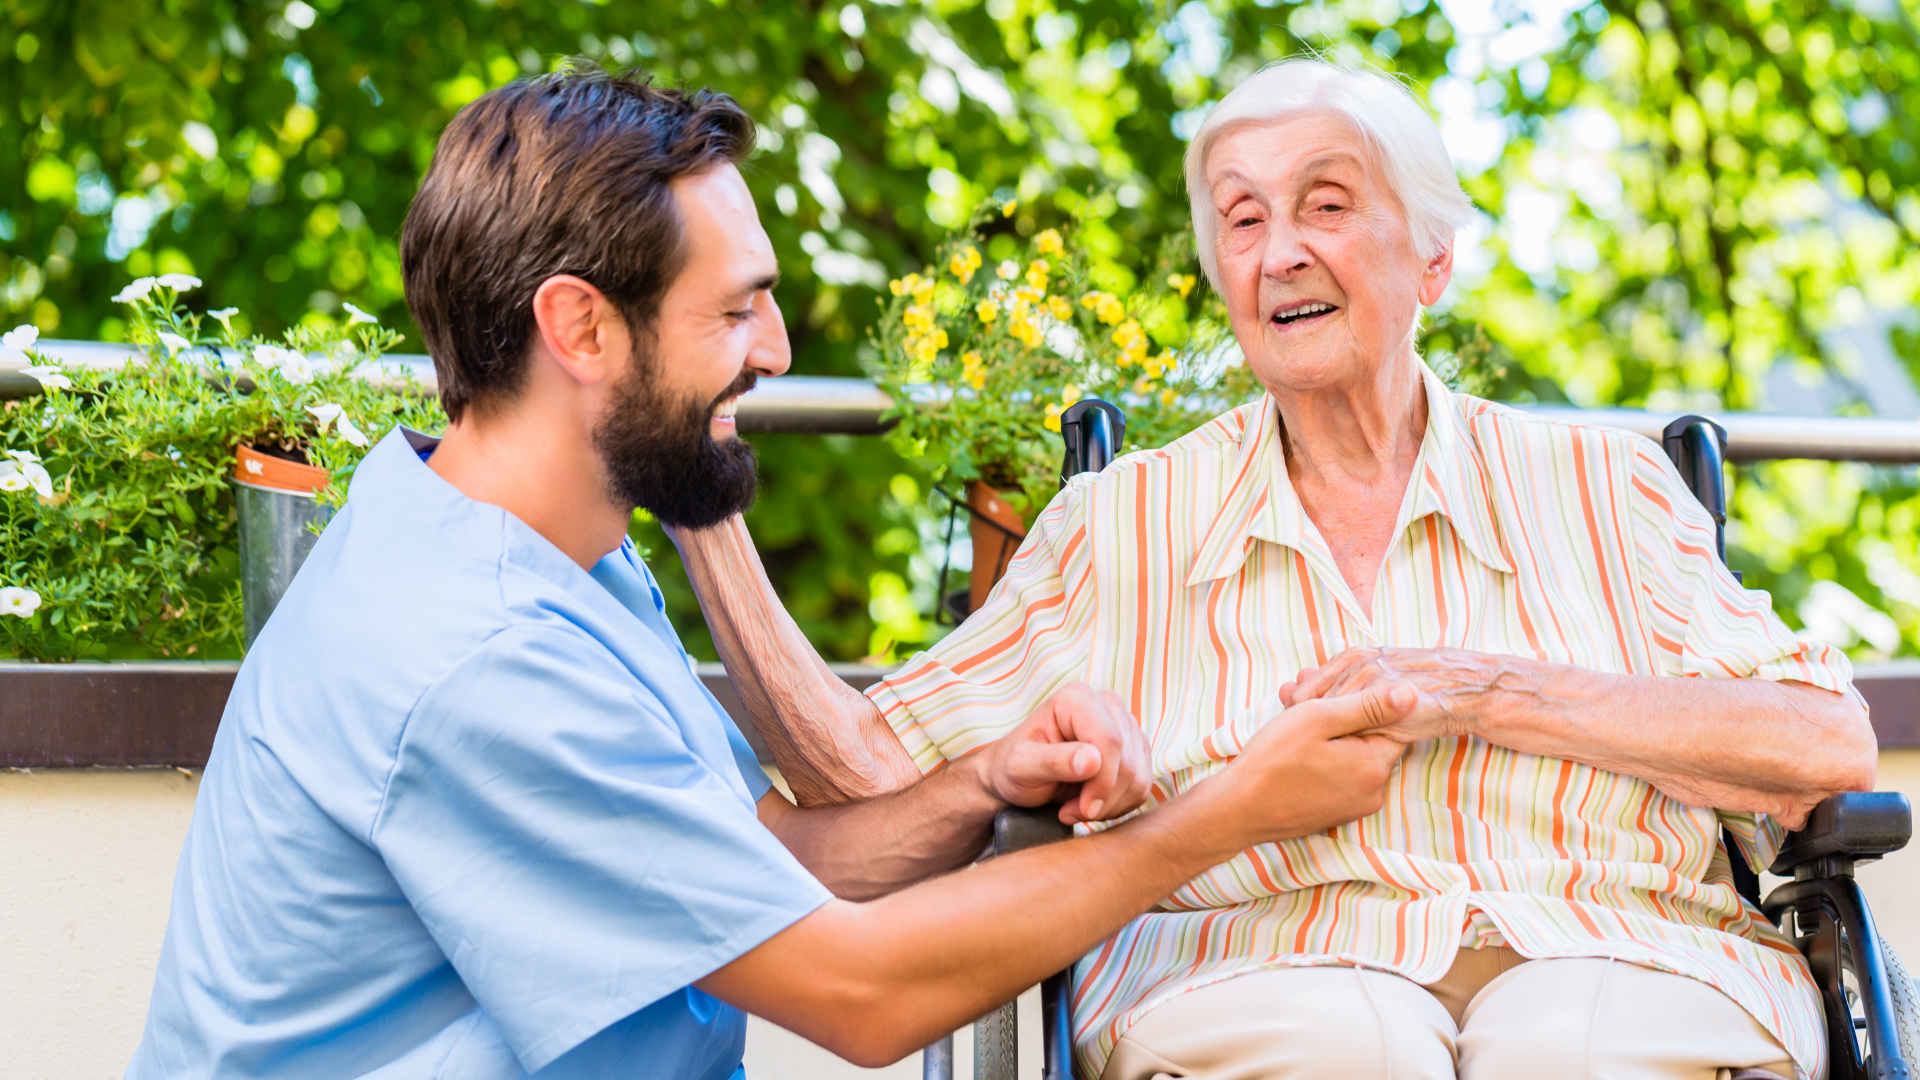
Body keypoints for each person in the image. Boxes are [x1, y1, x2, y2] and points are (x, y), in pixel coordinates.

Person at [123, 68, 1430, 1080]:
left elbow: (773, 863)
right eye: (736, 306)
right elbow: (860, 994)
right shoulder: (471, 650)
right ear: (579, 326)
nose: (778, 348)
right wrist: (1237, 810)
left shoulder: (562, 555)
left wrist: (984, 781)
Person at [672, 59, 1879, 1080]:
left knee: (1571, 1039)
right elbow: (857, 780)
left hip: (1625, 946)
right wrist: (697, 499)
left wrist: (1486, 690)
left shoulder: (1602, 488)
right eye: (1244, 221)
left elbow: (1825, 745)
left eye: (1328, 206)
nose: (1282, 251)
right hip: (1263, 965)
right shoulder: (1126, 523)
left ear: (1434, 262)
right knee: (1343, 1046)